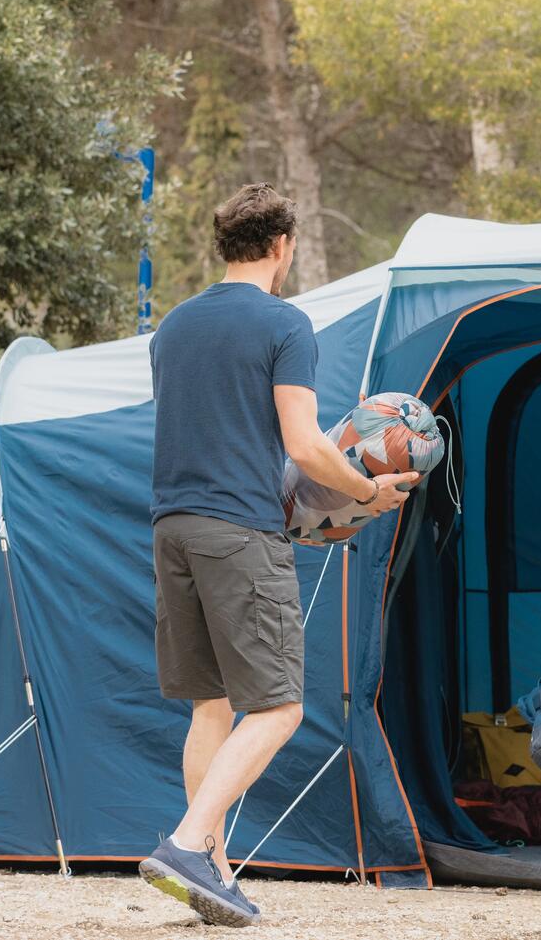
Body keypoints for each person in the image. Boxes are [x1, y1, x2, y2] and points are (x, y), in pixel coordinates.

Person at [139, 184, 417, 927]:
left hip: (172, 526)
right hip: (238, 530)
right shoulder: (284, 322)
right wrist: (365, 490)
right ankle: (190, 844)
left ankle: (210, 873)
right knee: (280, 706)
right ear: (283, 246)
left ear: (223, 243)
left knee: (213, 702)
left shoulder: (173, 325)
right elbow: (301, 443)